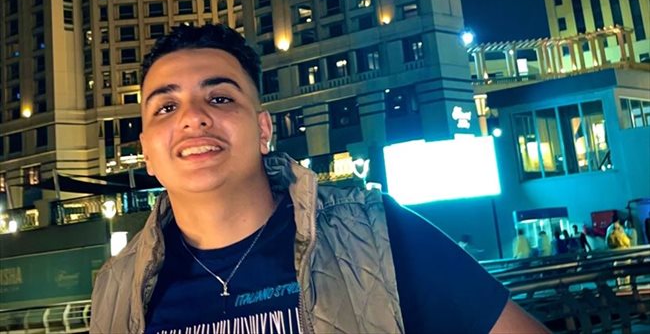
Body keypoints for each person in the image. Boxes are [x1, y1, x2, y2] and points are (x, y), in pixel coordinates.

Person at [89, 23, 548, 334]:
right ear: (147, 153)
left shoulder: (373, 235)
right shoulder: (117, 287)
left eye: (221, 98)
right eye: (167, 107)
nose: (193, 117)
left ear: (263, 130)